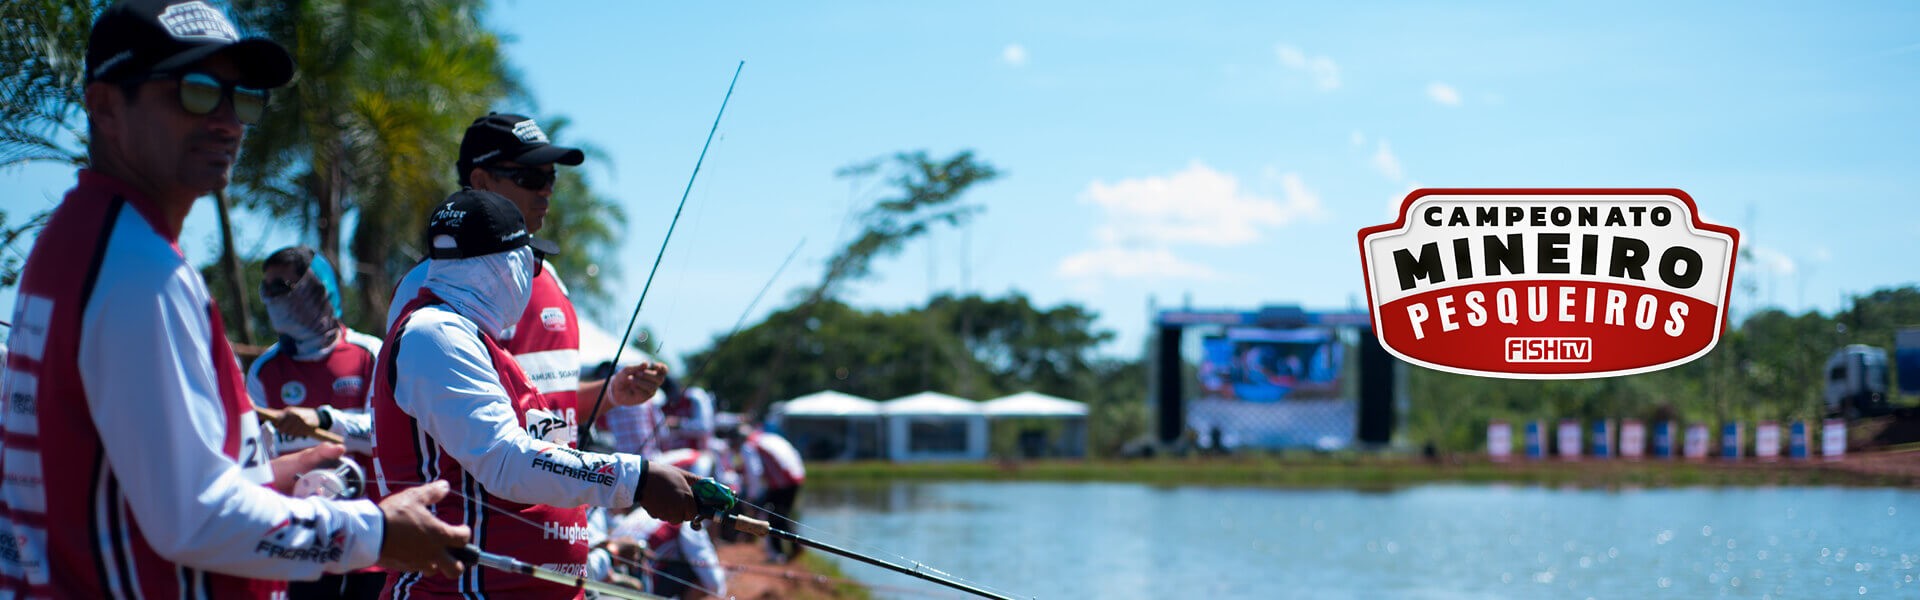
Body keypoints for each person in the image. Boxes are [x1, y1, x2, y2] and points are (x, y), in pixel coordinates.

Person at [0, 1, 469, 597]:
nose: (227, 121)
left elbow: (138, 485)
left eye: (240, 98)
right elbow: (195, 518)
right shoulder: (138, 271)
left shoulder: (85, 238)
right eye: (194, 92)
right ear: (106, 107)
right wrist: (375, 532)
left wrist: (270, 476)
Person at [369, 189, 706, 598]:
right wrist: (638, 479)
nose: (535, 276)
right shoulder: (434, 335)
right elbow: (506, 461)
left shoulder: (470, 339)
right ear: (506, 265)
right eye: (534, 262)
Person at [387, 113, 657, 446]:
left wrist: (613, 392)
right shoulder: (424, 285)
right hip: (492, 497)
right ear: (481, 180)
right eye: (530, 177)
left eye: (551, 177)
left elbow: (549, 409)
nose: (546, 190)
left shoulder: (551, 277)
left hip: (567, 495)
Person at [244, 246, 385, 599]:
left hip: (369, 541)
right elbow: (255, 462)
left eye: (284, 287)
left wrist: (322, 420)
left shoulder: (370, 354)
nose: (273, 299)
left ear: (319, 289)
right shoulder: (265, 371)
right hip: (301, 545)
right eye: (268, 289)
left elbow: (385, 436)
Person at [729, 424, 806, 563]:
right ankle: (793, 547)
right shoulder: (765, 437)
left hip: (783, 481)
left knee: (775, 517)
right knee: (780, 514)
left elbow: (755, 473)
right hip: (795, 476)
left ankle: (780, 553)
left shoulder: (749, 446)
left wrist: (752, 497)